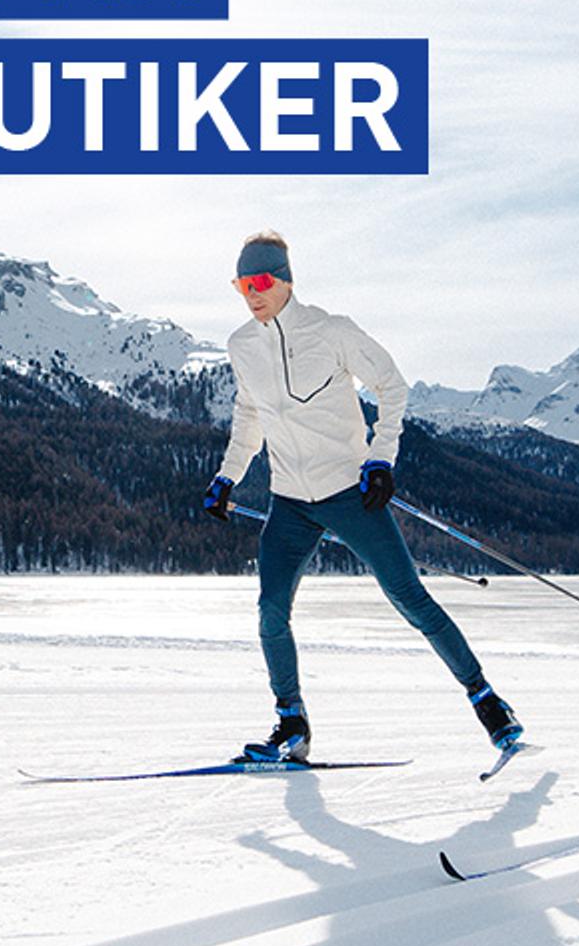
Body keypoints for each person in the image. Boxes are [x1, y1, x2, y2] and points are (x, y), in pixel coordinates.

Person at [201, 231, 523, 763]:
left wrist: (381, 458)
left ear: (284, 281)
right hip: (289, 501)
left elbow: (392, 386)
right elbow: (249, 415)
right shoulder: (242, 346)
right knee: (270, 610)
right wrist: (227, 476)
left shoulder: (332, 332)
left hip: (350, 493)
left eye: (259, 282)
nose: (251, 294)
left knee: (409, 598)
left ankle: (488, 701)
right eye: (241, 284)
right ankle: (291, 724)